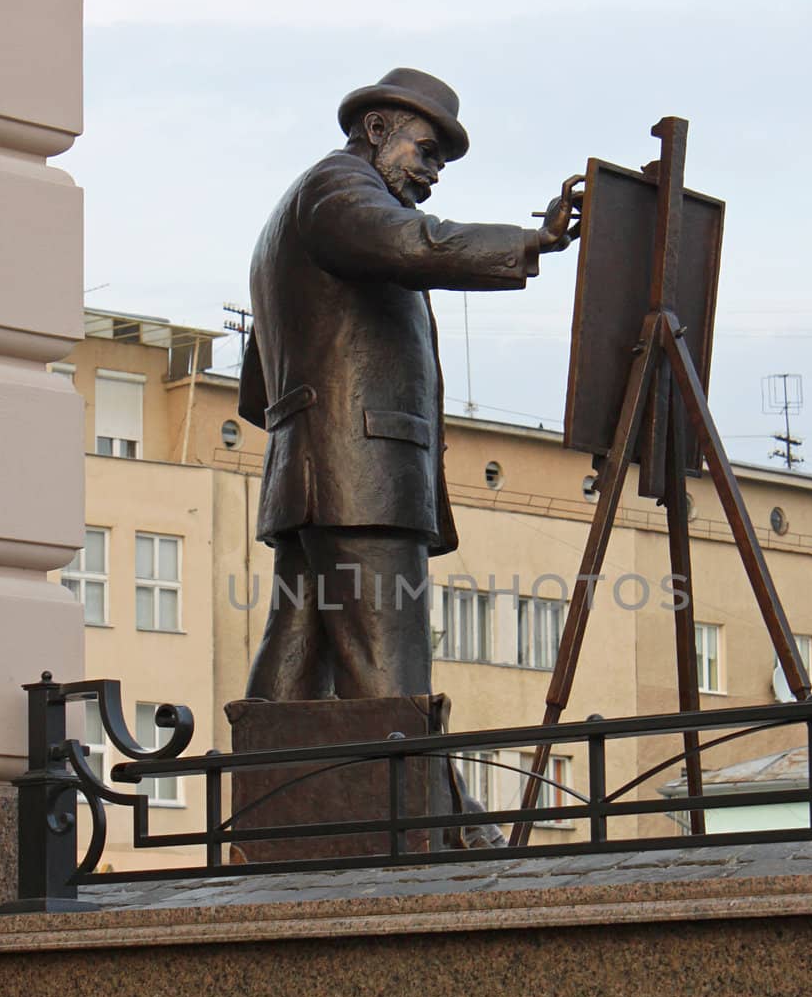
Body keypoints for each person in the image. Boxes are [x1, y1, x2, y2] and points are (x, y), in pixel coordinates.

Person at [238, 67, 580, 701]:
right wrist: (533, 241)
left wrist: (305, 441)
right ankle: (411, 795)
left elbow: (258, 386)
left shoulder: (291, 219)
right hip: (360, 476)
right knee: (387, 668)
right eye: (425, 151)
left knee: (296, 659)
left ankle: (268, 793)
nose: (433, 172)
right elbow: (411, 243)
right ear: (375, 129)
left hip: (313, 475)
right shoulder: (338, 189)